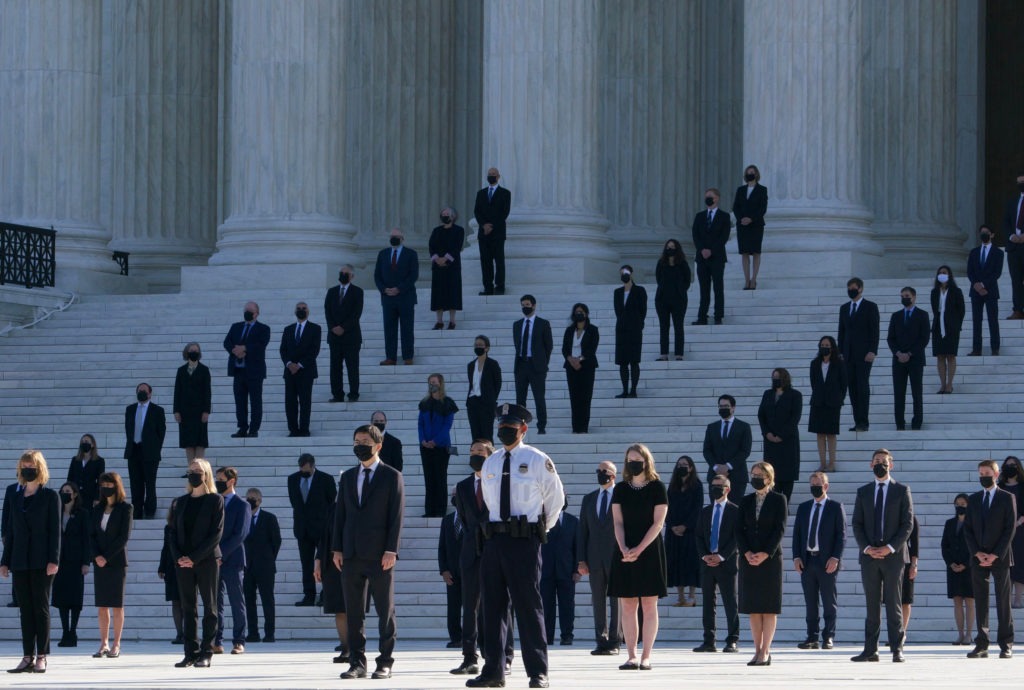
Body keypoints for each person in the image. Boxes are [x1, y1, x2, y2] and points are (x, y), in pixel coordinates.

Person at [467, 403, 564, 689]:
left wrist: (539, 530)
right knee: (493, 607)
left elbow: (556, 499)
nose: (504, 431)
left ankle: (538, 672)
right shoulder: (491, 462)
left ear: (523, 429)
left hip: (524, 540)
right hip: (494, 540)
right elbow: (487, 500)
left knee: (528, 606)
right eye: (500, 427)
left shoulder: (537, 459)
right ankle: (494, 670)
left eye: (509, 427)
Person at [332, 424, 405, 681]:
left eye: (365, 441)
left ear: (378, 445)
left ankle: (385, 662)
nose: (359, 445)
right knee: (354, 612)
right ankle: (357, 662)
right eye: (356, 441)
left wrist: (391, 550)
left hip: (380, 555)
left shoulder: (391, 476)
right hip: (350, 554)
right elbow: (340, 515)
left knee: (385, 611)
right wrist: (337, 548)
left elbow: (396, 517)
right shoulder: (348, 476)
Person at [452, 440, 514, 676]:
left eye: (480, 452)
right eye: (472, 452)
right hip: (470, 551)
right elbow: (465, 519)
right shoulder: (463, 486)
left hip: (496, 548)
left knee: (501, 604)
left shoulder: (499, 482)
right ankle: (470, 657)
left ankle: (504, 655)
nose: (475, 455)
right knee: (470, 606)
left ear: (490, 456)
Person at [851, 449, 914, 663]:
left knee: (894, 602)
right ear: (871, 465)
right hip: (869, 557)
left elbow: (908, 524)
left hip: (893, 557)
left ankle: (897, 648)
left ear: (891, 465)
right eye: (877, 461)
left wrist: (889, 547)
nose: (880, 464)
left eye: (884, 462)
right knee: (872, 604)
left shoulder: (902, 490)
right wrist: (867, 548)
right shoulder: (863, 492)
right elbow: (857, 524)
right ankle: (871, 650)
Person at [608, 444, 668, 671]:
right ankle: (631, 655)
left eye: (637, 459)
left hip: (650, 549)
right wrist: (623, 547)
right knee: (628, 603)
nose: (633, 463)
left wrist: (640, 548)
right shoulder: (621, 488)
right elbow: (618, 521)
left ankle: (646, 656)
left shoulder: (657, 487)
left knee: (649, 604)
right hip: (624, 548)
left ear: (646, 461)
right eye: (629, 459)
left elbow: (658, 522)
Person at [0, 450, 60, 674]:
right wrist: (5, 561)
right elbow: (11, 532)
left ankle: (42, 656)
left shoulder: (50, 496)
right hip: (19, 560)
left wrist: (54, 559)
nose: (27, 468)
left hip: (42, 560)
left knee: (41, 608)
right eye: (24, 464)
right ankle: (27, 656)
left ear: (39, 467)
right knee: (25, 610)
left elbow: (55, 532)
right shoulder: (15, 496)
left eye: (31, 464)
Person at [170, 459, 225, 669]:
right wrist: (179, 558)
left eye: (198, 471)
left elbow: (216, 534)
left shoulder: (215, 500)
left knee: (209, 607)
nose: (194, 474)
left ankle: (206, 651)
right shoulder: (181, 502)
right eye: (191, 470)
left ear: (206, 474)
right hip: (182, 563)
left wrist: (194, 557)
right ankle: (190, 652)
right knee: (187, 607)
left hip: (206, 560)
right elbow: (172, 532)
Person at [964, 459, 1017, 659]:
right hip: (978, 557)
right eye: (980, 474)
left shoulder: (1006, 497)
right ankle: (982, 643)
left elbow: (1010, 528)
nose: (983, 477)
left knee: (1003, 601)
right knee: (981, 601)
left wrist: (995, 554)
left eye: (986, 473)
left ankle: (1006, 644)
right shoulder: (975, 499)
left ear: (995, 474)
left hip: (1000, 557)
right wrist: (977, 553)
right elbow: (968, 529)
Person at [736, 462, 787, 667]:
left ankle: (766, 651)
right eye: (753, 474)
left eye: (760, 475)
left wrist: (766, 553)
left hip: (770, 560)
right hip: (749, 559)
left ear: (769, 478)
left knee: (769, 607)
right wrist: (747, 552)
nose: (755, 477)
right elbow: (739, 529)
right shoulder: (746, 500)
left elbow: (780, 529)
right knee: (754, 607)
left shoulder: (778, 499)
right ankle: (756, 650)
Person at [793, 472, 846, 651]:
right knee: (810, 601)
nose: (815, 487)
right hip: (807, 560)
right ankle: (812, 636)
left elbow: (842, 536)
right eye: (812, 484)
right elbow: (797, 535)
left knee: (829, 600)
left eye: (819, 484)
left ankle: (829, 636)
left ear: (826, 486)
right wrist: (796, 556)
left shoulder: (835, 507)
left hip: (827, 562)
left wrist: (835, 557)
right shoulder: (804, 507)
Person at [693, 474, 741, 654]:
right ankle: (709, 640)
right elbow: (698, 535)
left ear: (727, 489)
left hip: (726, 563)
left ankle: (732, 639)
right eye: (713, 485)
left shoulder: (735, 511)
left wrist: (721, 556)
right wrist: (705, 555)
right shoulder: (705, 511)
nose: (715, 489)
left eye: (719, 486)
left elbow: (737, 537)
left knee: (730, 602)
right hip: (707, 564)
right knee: (707, 602)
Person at [577, 460, 621, 655]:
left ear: (614, 475)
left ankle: (615, 641)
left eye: (605, 471)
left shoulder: (622, 497)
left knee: (616, 600)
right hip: (594, 558)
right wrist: (581, 559)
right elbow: (582, 531)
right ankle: (600, 640)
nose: (600, 473)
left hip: (617, 557)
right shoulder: (589, 499)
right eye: (598, 470)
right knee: (598, 600)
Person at [89, 471, 132, 659]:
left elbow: (123, 537)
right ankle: (103, 643)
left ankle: (116, 643)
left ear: (116, 486)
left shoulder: (126, 508)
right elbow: (91, 535)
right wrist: (97, 556)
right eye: (103, 485)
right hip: (99, 563)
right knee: (102, 605)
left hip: (116, 561)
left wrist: (106, 556)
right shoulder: (97, 508)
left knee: (117, 604)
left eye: (109, 485)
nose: (106, 488)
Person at [287, 453, 337, 606]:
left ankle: (325, 594)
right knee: (306, 562)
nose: (304, 472)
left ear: (313, 465)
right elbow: (295, 502)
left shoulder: (326, 479)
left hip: (322, 529)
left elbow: (332, 502)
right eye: (302, 469)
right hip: (303, 529)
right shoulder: (293, 479)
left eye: (307, 470)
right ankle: (309, 595)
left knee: (324, 562)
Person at [214, 466, 250, 655]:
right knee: (215, 602)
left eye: (220, 478)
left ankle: (239, 640)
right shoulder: (214, 502)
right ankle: (216, 640)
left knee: (237, 601)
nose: (217, 481)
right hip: (214, 561)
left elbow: (240, 535)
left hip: (233, 559)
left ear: (231, 481)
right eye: (216, 478)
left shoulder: (242, 505)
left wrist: (221, 554)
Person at [223, 300, 271, 438]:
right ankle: (242, 427)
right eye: (246, 311)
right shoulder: (235, 326)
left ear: (256, 314)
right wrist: (235, 350)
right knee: (240, 401)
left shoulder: (264, 328)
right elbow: (227, 342)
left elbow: (261, 345)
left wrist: (244, 348)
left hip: (255, 372)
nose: (247, 314)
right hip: (238, 370)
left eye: (250, 312)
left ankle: (254, 429)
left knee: (255, 401)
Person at [838, 277, 879, 432]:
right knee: (852, 388)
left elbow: (874, 330)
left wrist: (872, 350)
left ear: (860, 288)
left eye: (853, 288)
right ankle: (857, 421)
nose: (851, 291)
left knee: (862, 386)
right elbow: (841, 332)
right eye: (849, 288)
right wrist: (840, 352)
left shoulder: (870, 307)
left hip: (864, 355)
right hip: (848, 355)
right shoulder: (844, 308)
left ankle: (864, 421)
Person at [52, 482, 90, 648]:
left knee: (74, 598)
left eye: (68, 491)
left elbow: (87, 539)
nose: (65, 494)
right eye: (62, 491)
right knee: (61, 598)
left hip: (75, 561)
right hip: (59, 561)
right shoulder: (55, 513)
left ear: (74, 494)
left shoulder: (82, 514)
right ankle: (64, 631)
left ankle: (72, 632)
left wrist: (86, 562)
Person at [887, 286, 930, 431]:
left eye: (907, 295)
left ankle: (917, 422)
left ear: (914, 296)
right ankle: (899, 423)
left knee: (916, 393)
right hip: (898, 360)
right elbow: (890, 338)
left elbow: (924, 339)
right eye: (902, 296)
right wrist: (898, 353)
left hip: (916, 360)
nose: (904, 298)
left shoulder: (922, 315)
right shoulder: (896, 316)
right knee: (899, 393)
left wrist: (910, 354)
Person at [756, 368, 803, 501]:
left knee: (787, 474)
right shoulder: (767, 394)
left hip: (788, 441)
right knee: (771, 473)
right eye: (774, 377)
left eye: (778, 377)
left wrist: (781, 435)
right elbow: (761, 415)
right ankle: (772, 501)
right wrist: (767, 433)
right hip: (770, 442)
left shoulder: (795, 395)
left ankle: (785, 502)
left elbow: (795, 417)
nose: (775, 380)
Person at [374, 227, 418, 365]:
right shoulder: (382, 254)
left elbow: (413, 275)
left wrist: (399, 289)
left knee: (407, 328)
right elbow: (377, 275)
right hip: (387, 298)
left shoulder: (411, 254)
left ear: (402, 238)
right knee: (389, 329)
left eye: (397, 236)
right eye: (392, 236)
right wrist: (384, 289)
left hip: (405, 297)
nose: (394, 238)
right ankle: (390, 357)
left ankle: (408, 356)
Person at [122, 382, 166, 519]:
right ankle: (137, 511)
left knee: (150, 483)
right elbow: (128, 429)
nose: (141, 392)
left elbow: (161, 432)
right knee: (135, 483)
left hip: (150, 452)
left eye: (144, 391)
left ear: (150, 393)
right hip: (133, 450)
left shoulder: (157, 410)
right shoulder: (130, 409)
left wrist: (155, 448)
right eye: (139, 390)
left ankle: (150, 509)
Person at [419, 373, 459, 518]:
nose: (432, 384)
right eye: (430, 382)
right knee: (429, 479)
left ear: (440, 384)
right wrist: (423, 440)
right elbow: (420, 424)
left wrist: (434, 441)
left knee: (440, 478)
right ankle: (430, 510)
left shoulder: (447, 403)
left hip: (441, 447)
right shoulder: (424, 403)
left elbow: (446, 426)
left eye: (434, 382)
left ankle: (441, 510)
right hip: (425, 447)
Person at [541, 497, 580, 646]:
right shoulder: (542, 521)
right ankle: (546, 636)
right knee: (546, 605)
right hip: (546, 570)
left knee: (567, 605)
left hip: (567, 571)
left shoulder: (573, 521)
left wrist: (578, 569)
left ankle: (567, 635)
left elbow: (578, 546)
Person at [280, 301, 322, 437]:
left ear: (308, 311)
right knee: (290, 402)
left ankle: (304, 429)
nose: (301, 310)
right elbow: (283, 350)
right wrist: (289, 364)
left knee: (305, 402)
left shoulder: (315, 328)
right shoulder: (288, 329)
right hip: (290, 372)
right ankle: (293, 429)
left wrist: (299, 365)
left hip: (306, 372)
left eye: (304, 308)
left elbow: (314, 350)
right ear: (295, 311)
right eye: (298, 308)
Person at [243, 488, 280, 644]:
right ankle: (253, 633)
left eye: (254, 498)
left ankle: (269, 633)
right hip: (246, 566)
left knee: (267, 600)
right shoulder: (242, 517)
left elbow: (276, 541)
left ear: (260, 500)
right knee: (249, 601)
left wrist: (269, 558)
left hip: (265, 566)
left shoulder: (269, 518)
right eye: (248, 497)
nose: (251, 500)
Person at [513, 295, 553, 434]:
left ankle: (541, 426)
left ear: (534, 305)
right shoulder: (517, 325)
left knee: (539, 397)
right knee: (520, 398)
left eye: (528, 304)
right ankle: (520, 426)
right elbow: (517, 344)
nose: (525, 307)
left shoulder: (543, 323)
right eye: (523, 305)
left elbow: (548, 346)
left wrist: (543, 363)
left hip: (536, 366)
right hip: (521, 364)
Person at [666, 455, 703, 607]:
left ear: (691, 467)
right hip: (673, 531)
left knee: (691, 562)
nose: (682, 466)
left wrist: (685, 526)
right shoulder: (673, 485)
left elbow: (698, 508)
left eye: (685, 464)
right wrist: (673, 525)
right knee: (675, 562)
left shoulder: (697, 485)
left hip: (690, 531)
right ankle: (680, 596)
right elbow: (666, 506)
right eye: (679, 464)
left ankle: (691, 596)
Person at [315, 494, 347, 663]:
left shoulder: (359, 508)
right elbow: (324, 538)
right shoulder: (333, 508)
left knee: (353, 610)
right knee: (338, 608)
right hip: (331, 565)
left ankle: (355, 649)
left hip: (352, 562)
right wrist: (318, 562)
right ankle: (345, 647)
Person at [324, 264, 364, 402]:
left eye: (346, 273)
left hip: (351, 337)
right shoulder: (331, 292)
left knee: (352, 367)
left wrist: (343, 328)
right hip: (334, 337)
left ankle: (354, 394)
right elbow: (327, 312)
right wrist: (333, 327)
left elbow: (356, 314)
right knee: (335, 368)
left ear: (352, 276)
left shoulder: (358, 292)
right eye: (341, 272)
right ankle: (337, 394)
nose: (343, 275)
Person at [691, 187, 730, 325]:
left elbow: (724, 237)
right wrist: (702, 249)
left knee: (718, 288)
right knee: (704, 289)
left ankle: (718, 316)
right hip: (702, 258)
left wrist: (711, 250)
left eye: (710, 196)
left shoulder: (725, 216)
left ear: (717, 198)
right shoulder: (699, 216)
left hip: (717, 257)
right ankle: (702, 316)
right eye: (706, 196)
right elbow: (695, 235)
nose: (708, 198)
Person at [808, 335, 847, 472]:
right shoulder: (814, 364)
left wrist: (838, 398)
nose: (824, 347)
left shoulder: (839, 363)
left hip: (833, 403)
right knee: (820, 434)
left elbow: (843, 384)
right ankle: (822, 463)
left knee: (831, 434)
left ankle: (832, 463)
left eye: (827, 345)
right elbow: (813, 383)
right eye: (822, 345)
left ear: (832, 347)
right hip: (818, 402)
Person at [702, 394, 752, 499]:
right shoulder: (711, 427)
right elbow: (707, 450)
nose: (723, 409)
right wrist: (716, 467)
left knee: (734, 511)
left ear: (733, 408)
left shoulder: (744, 427)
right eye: (720, 406)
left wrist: (728, 466)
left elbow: (745, 451)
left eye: (726, 406)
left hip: (737, 476)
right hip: (715, 476)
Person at [941, 493, 974, 645]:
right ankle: (960, 634)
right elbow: (944, 545)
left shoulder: (974, 523)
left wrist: (966, 564)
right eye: (957, 503)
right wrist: (951, 563)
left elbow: (976, 546)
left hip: (970, 567)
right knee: (957, 601)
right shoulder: (949, 523)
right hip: (953, 568)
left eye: (963, 503)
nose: (960, 506)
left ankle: (969, 634)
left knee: (970, 601)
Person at [474, 167, 512, 296]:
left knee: (499, 261)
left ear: (498, 176)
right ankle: (488, 287)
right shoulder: (481, 193)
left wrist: (491, 226)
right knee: (485, 261)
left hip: (498, 233)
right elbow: (477, 211)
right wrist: (484, 225)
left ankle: (500, 286)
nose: (491, 176)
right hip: (483, 233)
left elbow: (504, 212)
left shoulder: (505, 193)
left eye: (493, 174)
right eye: (489, 174)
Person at [562, 302, 599, 433]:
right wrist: (571, 359)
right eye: (577, 312)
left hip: (587, 367)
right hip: (571, 367)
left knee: (585, 397)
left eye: (581, 312)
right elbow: (565, 349)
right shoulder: (569, 330)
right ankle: (575, 427)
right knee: (574, 397)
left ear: (586, 314)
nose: (579, 314)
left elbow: (592, 349)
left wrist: (580, 360)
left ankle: (583, 427)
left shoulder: (593, 330)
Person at [967, 225, 1003, 356]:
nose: (984, 235)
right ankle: (976, 349)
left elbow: (996, 273)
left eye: (986, 233)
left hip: (990, 291)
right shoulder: (974, 252)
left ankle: (995, 348)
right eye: (982, 233)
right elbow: (970, 271)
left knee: (992, 320)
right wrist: (976, 284)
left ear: (992, 235)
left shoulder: (998, 253)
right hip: (975, 291)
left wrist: (983, 284)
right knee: (977, 321)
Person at [930, 265, 966, 393]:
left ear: (949, 275)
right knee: (940, 356)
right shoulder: (934, 292)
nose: (942, 274)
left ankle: (950, 384)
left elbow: (961, 310)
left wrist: (956, 325)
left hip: (951, 328)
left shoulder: (956, 291)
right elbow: (935, 309)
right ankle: (942, 384)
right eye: (940, 273)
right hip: (938, 327)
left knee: (950, 356)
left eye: (944, 272)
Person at [732, 164, 769, 290]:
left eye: (752, 172)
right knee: (745, 252)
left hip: (756, 224)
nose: (750, 174)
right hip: (742, 225)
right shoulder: (740, 190)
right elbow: (735, 207)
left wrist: (751, 219)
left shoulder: (762, 190)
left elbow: (762, 208)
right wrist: (741, 218)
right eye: (748, 172)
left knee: (756, 252)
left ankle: (754, 279)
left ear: (756, 174)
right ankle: (746, 280)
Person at [173, 342, 211, 461]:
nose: (193, 353)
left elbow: (207, 392)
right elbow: (177, 391)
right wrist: (176, 411)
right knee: (188, 441)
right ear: (186, 352)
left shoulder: (204, 370)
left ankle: (199, 469)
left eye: (196, 350)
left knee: (200, 441)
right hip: (185, 411)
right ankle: (190, 468)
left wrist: (206, 410)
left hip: (200, 411)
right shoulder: (181, 370)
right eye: (191, 350)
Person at [654, 238, 691, 360]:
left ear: (677, 248)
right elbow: (658, 278)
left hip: (678, 300)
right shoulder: (661, 263)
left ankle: (679, 354)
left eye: (673, 247)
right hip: (662, 300)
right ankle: (663, 354)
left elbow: (687, 280)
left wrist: (680, 290)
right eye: (668, 247)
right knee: (664, 327)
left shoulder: (683, 263)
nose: (670, 249)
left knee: (678, 326)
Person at [613, 265, 647, 398]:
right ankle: (624, 390)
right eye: (621, 273)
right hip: (621, 329)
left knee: (634, 361)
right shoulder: (617, 292)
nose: (624, 275)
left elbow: (642, 310)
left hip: (635, 329)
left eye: (626, 272)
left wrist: (638, 323)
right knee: (622, 362)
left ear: (631, 274)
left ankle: (633, 389)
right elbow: (618, 311)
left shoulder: (640, 290)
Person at [430, 206, 465, 329]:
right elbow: (432, 247)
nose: (445, 216)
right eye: (443, 214)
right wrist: (437, 259)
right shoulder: (436, 231)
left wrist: (446, 259)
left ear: (453, 216)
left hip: (452, 267)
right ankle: (439, 321)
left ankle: (452, 321)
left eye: (447, 214)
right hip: (438, 267)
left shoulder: (459, 230)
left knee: (452, 293)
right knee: (438, 294)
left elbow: (457, 247)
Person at [997, 456, 1024, 608]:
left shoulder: (1023, 486)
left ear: (1018, 467)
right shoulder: (1000, 486)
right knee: (1006, 563)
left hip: (1021, 530)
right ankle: (1006, 598)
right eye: (1007, 465)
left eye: (1013, 465)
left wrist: (1018, 522)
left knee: (1019, 562)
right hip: (1002, 531)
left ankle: (1018, 598)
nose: (1010, 467)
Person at [439, 489, 465, 649]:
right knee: (453, 607)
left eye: (458, 495)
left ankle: (471, 638)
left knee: (472, 608)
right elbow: (442, 547)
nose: (455, 499)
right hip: (452, 573)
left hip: (470, 571)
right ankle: (456, 637)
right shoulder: (447, 520)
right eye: (453, 496)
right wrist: (443, 570)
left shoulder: (473, 518)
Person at [466, 336, 502, 443]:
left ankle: (489, 458)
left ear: (487, 348)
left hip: (487, 403)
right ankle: (476, 457)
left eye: (480, 345)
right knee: (475, 433)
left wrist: (491, 399)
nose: (478, 347)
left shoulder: (493, 364)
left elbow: (498, 384)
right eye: (476, 345)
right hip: (472, 402)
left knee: (487, 434)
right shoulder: (471, 365)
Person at [158, 501, 184, 644]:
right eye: (173, 508)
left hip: (186, 565)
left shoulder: (188, 524)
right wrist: (161, 567)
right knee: (175, 601)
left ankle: (188, 633)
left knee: (187, 601)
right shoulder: (168, 527)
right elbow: (165, 547)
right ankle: (179, 633)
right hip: (171, 567)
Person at [1003, 172, 1024, 320]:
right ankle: (1018, 310)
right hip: (1014, 248)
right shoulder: (1012, 202)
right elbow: (1005, 223)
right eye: (1019, 182)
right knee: (1016, 280)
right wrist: (1012, 236)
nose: (1021, 185)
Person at [66, 433, 105, 508]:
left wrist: (97, 497)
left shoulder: (99, 461)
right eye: (82, 442)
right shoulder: (75, 460)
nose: (84, 443)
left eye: (86, 441)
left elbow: (100, 481)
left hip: (90, 495)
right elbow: (70, 478)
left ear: (92, 444)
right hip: (76, 494)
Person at [900, 516, 921, 634]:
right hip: (890, 562)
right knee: (892, 600)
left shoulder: (911, 519)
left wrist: (914, 565)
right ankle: (894, 631)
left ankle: (902, 632)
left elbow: (915, 544)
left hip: (906, 561)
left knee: (906, 599)